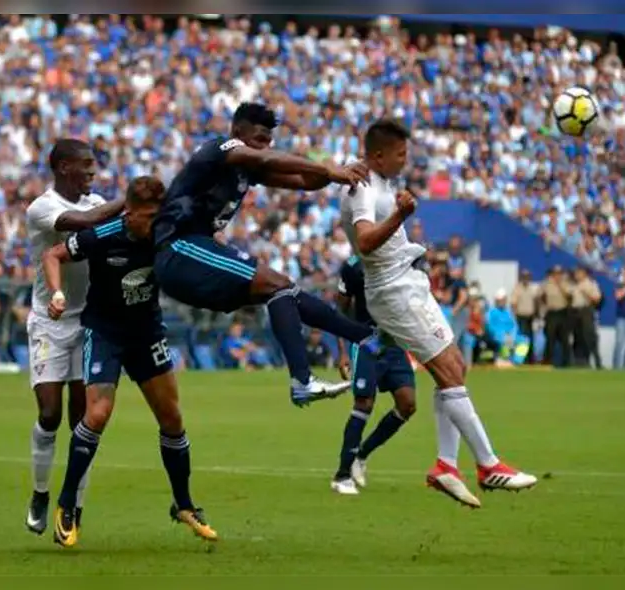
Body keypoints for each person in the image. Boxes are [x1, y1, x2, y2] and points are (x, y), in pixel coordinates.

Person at [340, 118, 536, 509]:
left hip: (407, 284)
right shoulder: (362, 187)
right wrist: (399, 216)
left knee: (455, 367)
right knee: (448, 370)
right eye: (400, 154)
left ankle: (447, 465)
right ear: (378, 155)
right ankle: (487, 464)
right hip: (394, 290)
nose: (405, 160)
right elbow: (363, 242)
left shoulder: (376, 179)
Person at [151, 102, 379, 407]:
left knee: (284, 291)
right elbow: (269, 159)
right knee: (276, 284)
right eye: (258, 139)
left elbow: (304, 182)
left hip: (195, 254)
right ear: (237, 132)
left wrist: (339, 168)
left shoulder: (248, 169)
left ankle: (362, 338)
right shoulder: (219, 148)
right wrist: (327, 168)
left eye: (268, 140)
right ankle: (305, 377)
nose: (263, 147)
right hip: (178, 249)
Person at [41, 176, 216, 548]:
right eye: (148, 216)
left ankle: (183, 504)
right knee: (98, 414)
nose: (154, 223)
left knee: (172, 418)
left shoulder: (166, 234)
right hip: (104, 333)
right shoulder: (103, 235)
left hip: (147, 333)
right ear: (130, 212)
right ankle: (67, 504)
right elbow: (53, 254)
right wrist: (56, 293)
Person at [22, 138, 125, 535]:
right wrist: (128, 200)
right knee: (49, 414)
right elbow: (84, 224)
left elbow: (103, 223)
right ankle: (40, 492)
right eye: (86, 165)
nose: (92, 172)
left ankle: (74, 506)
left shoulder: (93, 202)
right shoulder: (43, 207)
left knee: (82, 421)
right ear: (64, 167)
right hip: (48, 321)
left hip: (88, 322)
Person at [331, 255, 416, 496]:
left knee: (408, 404)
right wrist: (342, 351)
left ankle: (362, 454)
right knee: (364, 403)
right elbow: (340, 308)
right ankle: (342, 475)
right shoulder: (353, 266)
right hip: (367, 340)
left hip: (395, 342)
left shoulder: (403, 258)